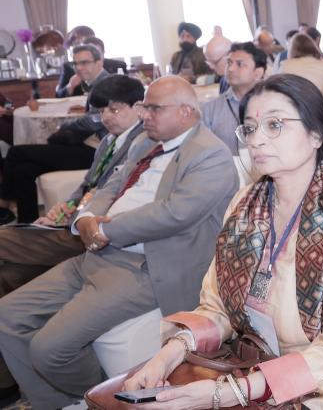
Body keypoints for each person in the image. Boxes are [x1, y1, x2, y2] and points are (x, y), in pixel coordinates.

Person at [121, 74, 323, 408]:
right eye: (251, 128)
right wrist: (170, 352)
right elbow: (218, 306)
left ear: (316, 134)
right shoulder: (244, 208)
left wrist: (232, 392)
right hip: (263, 363)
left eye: (275, 125)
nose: (257, 140)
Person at [0, 77, 238, 409]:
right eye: (144, 107)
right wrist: (86, 219)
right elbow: (110, 187)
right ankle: (54, 403)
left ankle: (101, 398)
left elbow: (174, 214)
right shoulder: (144, 142)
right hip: (97, 255)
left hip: (145, 268)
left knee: (49, 349)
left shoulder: (211, 155)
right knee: (7, 317)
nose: (144, 115)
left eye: (154, 108)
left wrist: (104, 231)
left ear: (186, 111)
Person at [0, 76, 144, 402]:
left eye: (114, 109)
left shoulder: (143, 143)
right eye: (101, 110)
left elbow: (116, 197)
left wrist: (77, 215)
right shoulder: (108, 142)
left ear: (138, 108)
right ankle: (11, 382)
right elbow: (85, 187)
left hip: (88, 235)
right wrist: (58, 211)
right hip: (69, 225)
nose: (106, 117)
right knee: (8, 273)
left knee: (3, 241)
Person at [0, 44, 111, 224]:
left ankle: (4, 202)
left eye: (84, 62)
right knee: (23, 171)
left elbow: (94, 121)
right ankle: (27, 224)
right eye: (76, 63)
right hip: (87, 144)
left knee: (15, 152)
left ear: (100, 62)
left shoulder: (106, 85)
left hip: (96, 151)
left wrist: (64, 126)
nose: (79, 68)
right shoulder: (97, 83)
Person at [201, 42, 268, 155]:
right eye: (229, 63)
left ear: (258, 73)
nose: (231, 69)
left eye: (240, 64)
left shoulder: (274, 104)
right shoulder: (209, 109)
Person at [57, 36, 126, 97]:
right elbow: (58, 96)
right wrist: (70, 86)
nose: (79, 67)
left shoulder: (117, 68)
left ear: (103, 53)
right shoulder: (69, 68)